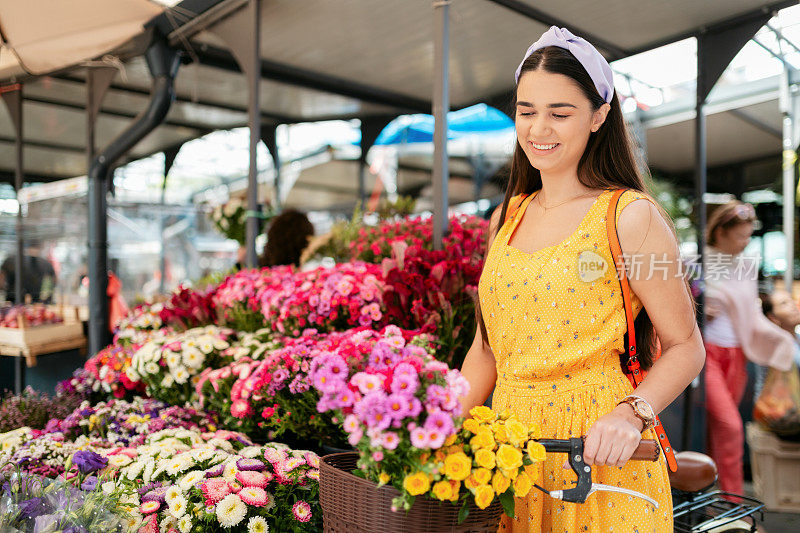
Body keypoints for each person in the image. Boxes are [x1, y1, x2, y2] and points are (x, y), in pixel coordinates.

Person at [458, 26, 705, 531]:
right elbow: (487, 350)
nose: (538, 129)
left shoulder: (629, 216)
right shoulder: (506, 216)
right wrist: (436, 428)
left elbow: (685, 345)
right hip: (509, 462)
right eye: (526, 111)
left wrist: (631, 413)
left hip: (601, 458)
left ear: (598, 116)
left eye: (559, 113)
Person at [703, 202, 795, 495]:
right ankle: (733, 503)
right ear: (720, 232)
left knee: (721, 430)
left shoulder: (746, 266)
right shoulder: (697, 262)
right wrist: (698, 307)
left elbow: (752, 316)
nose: (745, 242)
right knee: (730, 427)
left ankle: (709, 497)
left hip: (737, 355)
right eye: (740, 236)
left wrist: (781, 337)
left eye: (748, 236)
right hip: (706, 355)